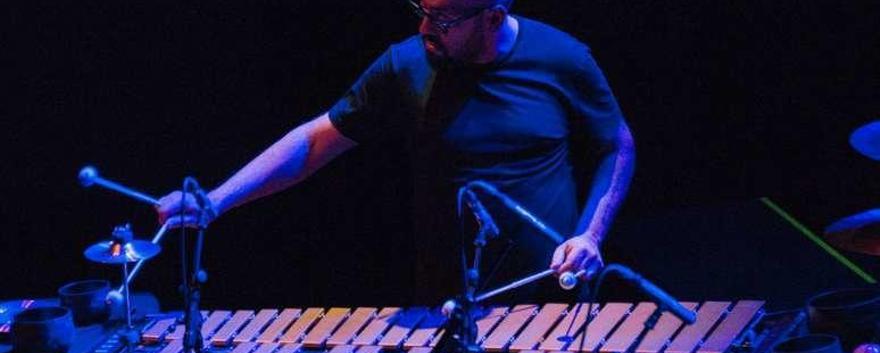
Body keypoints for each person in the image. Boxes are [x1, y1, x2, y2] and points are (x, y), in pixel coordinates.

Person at [157, 0, 635, 303]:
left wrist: (590, 235)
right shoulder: (405, 65)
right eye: (422, 10)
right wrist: (218, 199)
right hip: (447, 310)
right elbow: (314, 142)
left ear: (491, 17)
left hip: (551, 301)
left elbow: (617, 145)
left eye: (444, 19)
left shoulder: (562, 57)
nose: (427, 26)